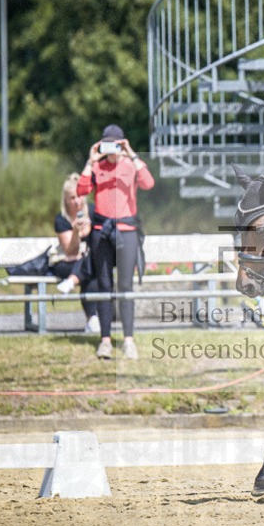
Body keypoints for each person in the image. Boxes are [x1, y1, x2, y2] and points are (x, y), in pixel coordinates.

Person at [77, 124, 154, 359]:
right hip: (101, 231)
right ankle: (106, 340)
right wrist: (90, 162)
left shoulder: (130, 165)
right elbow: (82, 190)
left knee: (126, 287)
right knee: (104, 286)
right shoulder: (98, 167)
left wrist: (131, 152)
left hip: (127, 231)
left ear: (122, 144)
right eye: (107, 143)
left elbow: (148, 183)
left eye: (116, 144)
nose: (112, 149)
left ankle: (129, 340)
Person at [53, 173, 100, 333]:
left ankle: (72, 282)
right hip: (67, 262)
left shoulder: (93, 212)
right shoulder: (62, 219)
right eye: (72, 197)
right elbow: (70, 251)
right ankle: (92, 319)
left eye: (79, 196)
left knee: (91, 265)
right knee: (91, 268)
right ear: (66, 199)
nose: (76, 201)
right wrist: (75, 231)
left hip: (87, 261)